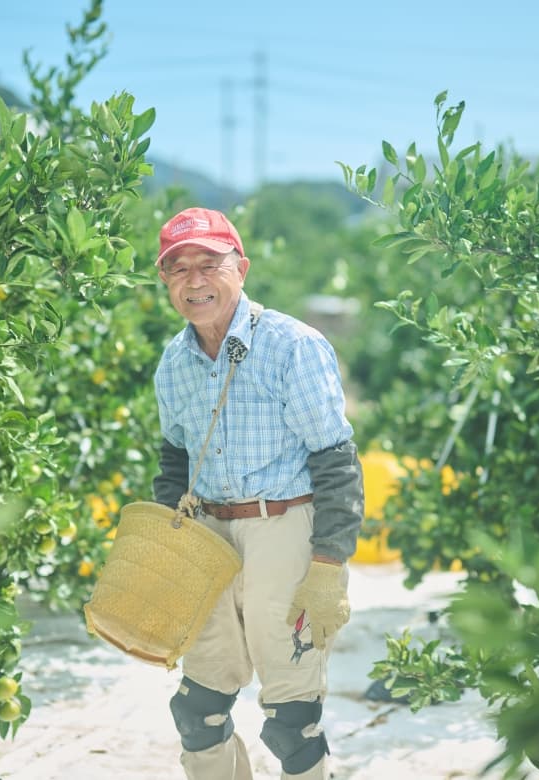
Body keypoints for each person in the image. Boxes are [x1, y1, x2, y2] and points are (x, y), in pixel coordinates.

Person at [151, 206, 364, 780]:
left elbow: (336, 460)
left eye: (210, 264)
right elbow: (174, 460)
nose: (195, 280)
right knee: (198, 710)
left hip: (284, 533)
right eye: (179, 268)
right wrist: (171, 545)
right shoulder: (173, 363)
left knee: (291, 721)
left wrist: (328, 566)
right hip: (207, 540)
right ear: (166, 280)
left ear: (240, 268)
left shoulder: (294, 345)